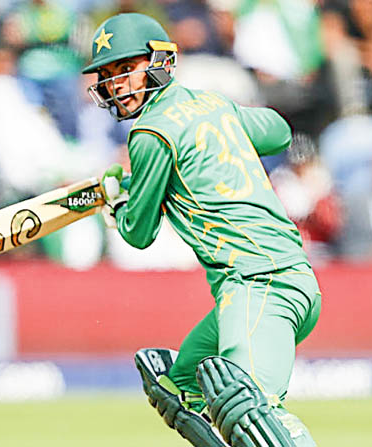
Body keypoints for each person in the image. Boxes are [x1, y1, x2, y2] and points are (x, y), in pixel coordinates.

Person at [82, 13, 320, 447]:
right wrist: (220, 135)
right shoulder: (212, 105)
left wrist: (117, 203)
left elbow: (138, 232)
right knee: (176, 390)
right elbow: (280, 133)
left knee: (255, 412)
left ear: (160, 61)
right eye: (109, 74)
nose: (117, 84)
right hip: (289, 284)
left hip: (258, 285)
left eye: (127, 68)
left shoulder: (150, 132)